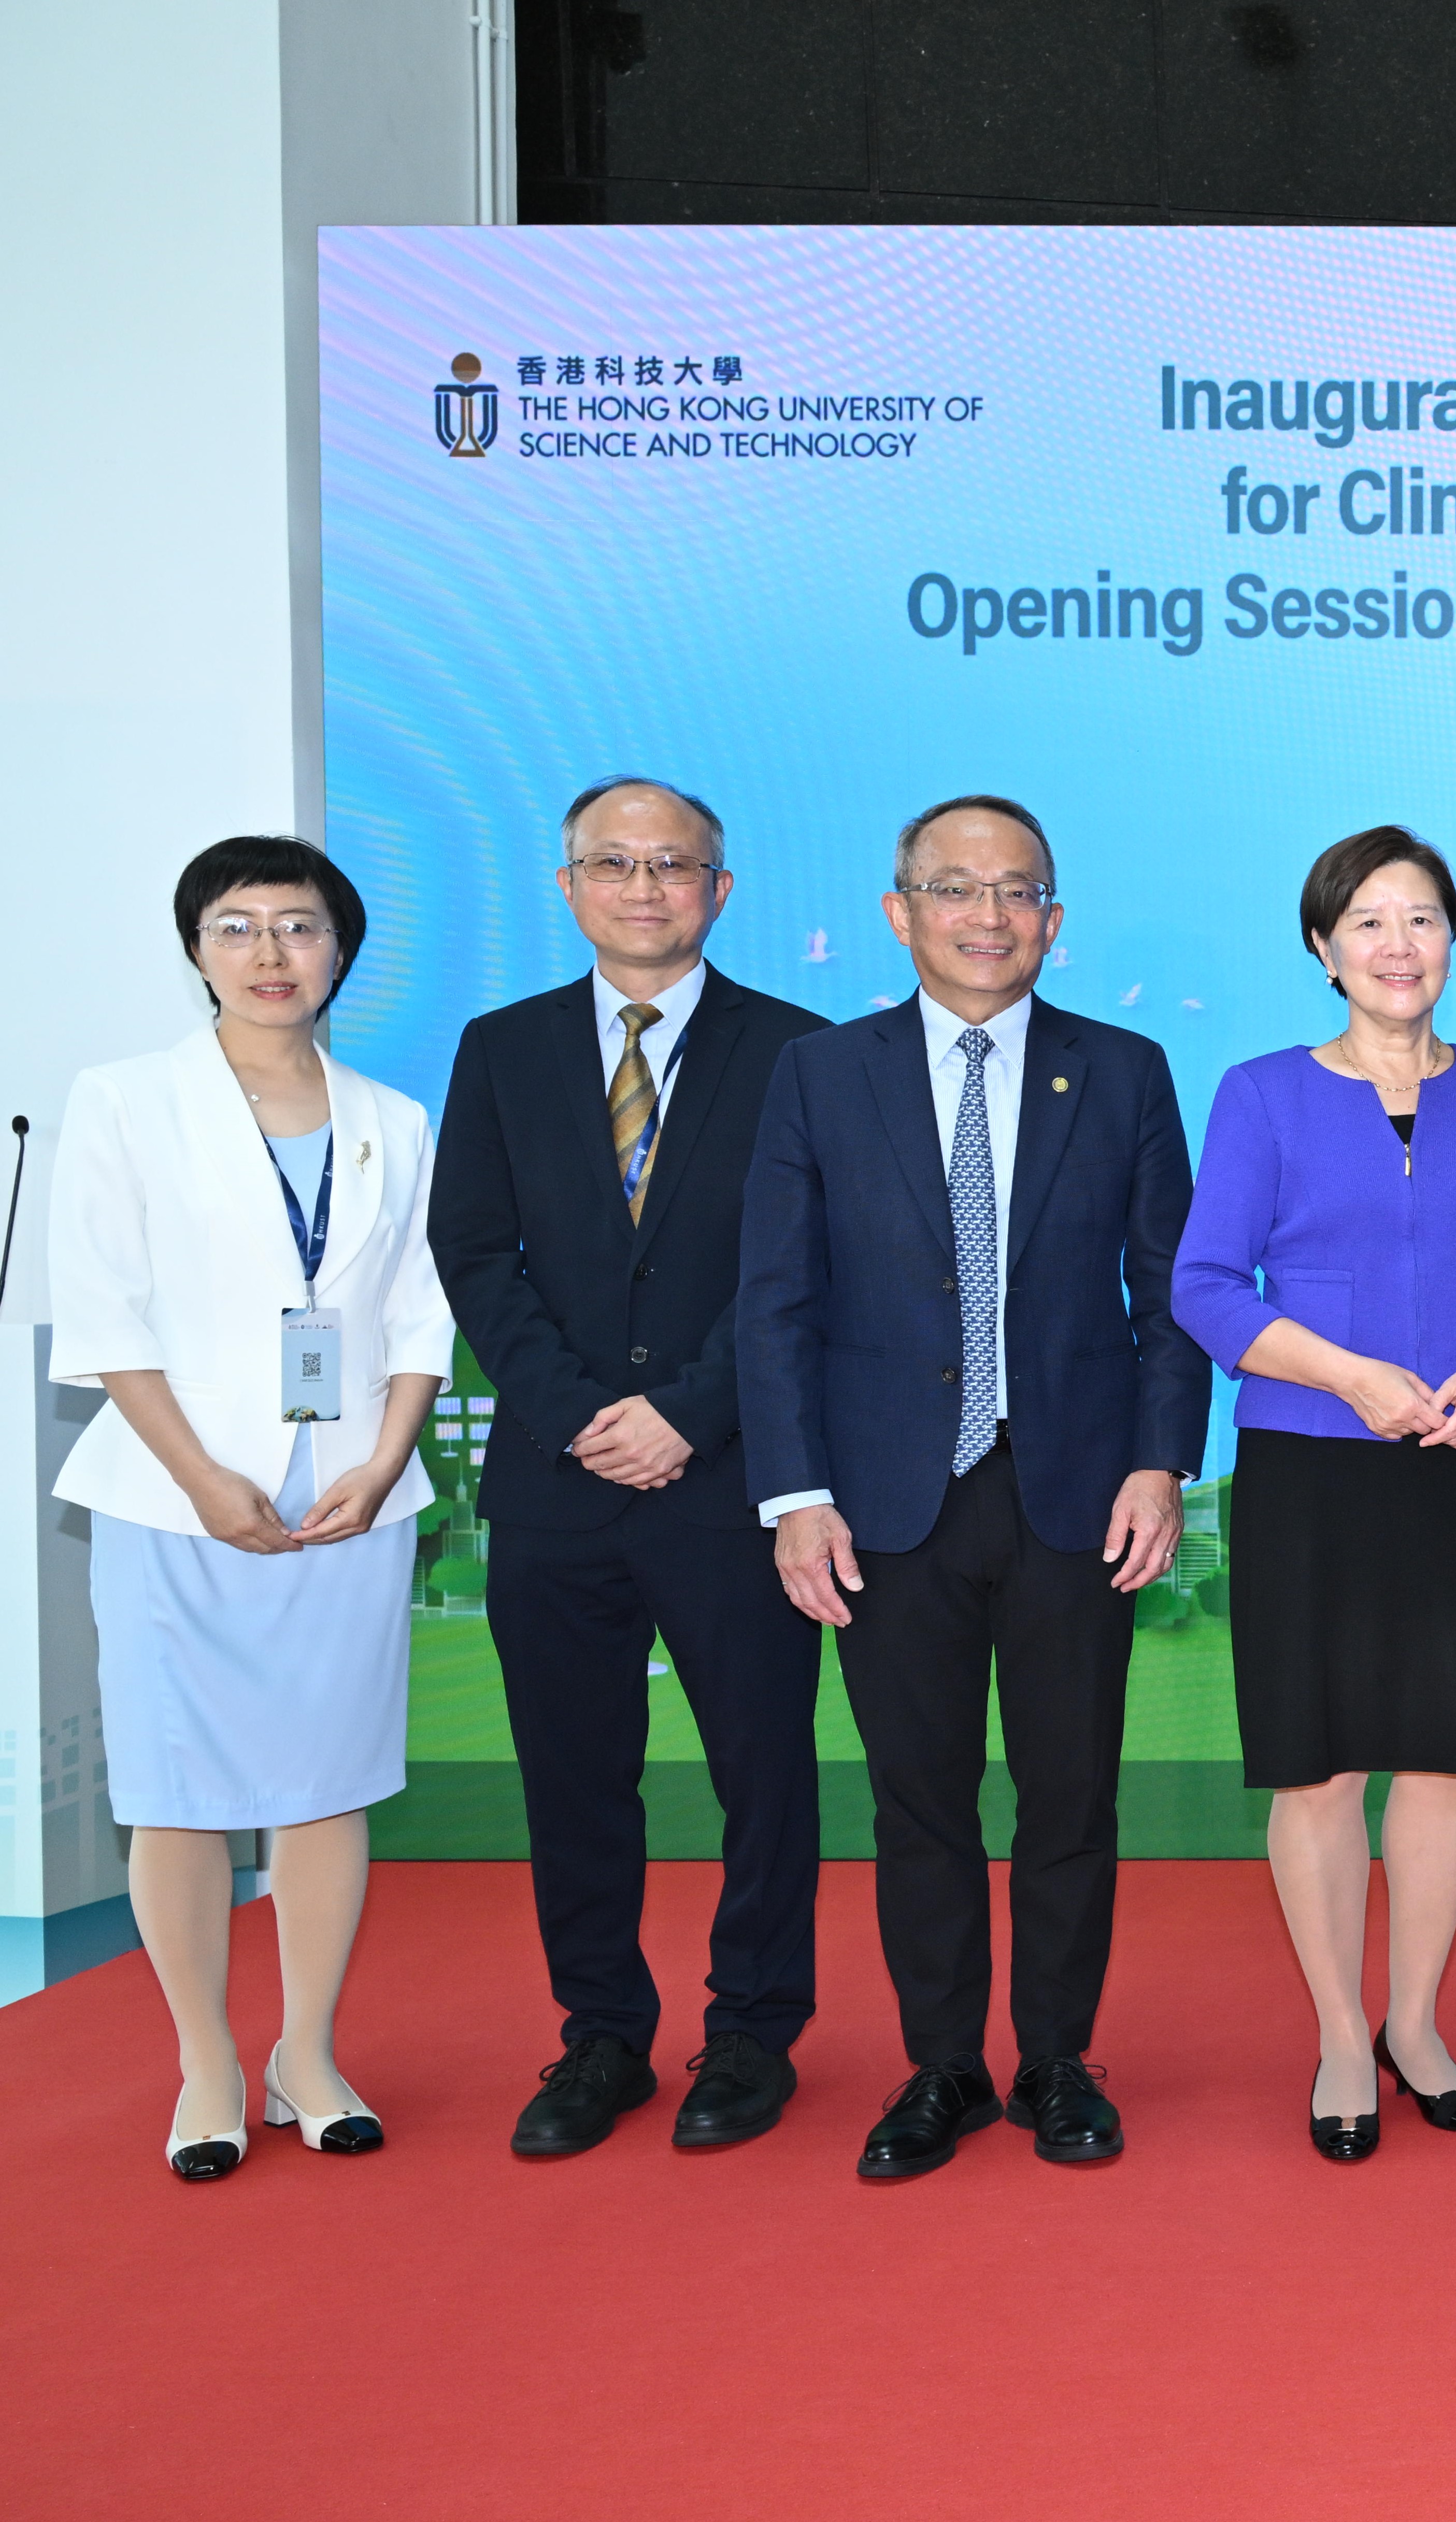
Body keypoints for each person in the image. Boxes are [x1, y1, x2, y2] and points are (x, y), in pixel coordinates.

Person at [736, 793, 1209, 2179]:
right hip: (886, 1498)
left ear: (1053, 922)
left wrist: (1159, 1459)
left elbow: (1167, 1295)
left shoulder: (1121, 1069)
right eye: (956, 889)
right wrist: (795, 1494)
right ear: (901, 913)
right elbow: (775, 1304)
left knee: (1071, 1794)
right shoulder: (824, 1075)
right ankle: (939, 2064)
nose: (988, 916)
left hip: (1074, 1492)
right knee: (919, 1800)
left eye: (1018, 893)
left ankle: (1058, 2060)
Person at [430, 776, 831, 2157]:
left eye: (675, 864)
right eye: (615, 862)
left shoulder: (802, 1053)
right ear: (569, 886)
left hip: (734, 1481)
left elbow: (806, 1264)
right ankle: (600, 2032)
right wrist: (571, 1408)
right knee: (573, 1770)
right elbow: (477, 1249)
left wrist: (690, 1410)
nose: (644, 886)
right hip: (557, 1481)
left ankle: (752, 2029)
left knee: (765, 1770)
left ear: (720, 889)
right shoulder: (501, 1049)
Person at [49, 837, 454, 2179]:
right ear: (195, 950)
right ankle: (209, 2062)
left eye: (299, 926)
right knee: (176, 1790)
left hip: (348, 1496)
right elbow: (105, 1313)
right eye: (238, 927)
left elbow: (416, 1316)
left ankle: (308, 2052)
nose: (271, 954)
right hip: (179, 1499)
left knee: (325, 1786)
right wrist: (202, 1476)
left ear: (340, 950)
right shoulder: (123, 1101)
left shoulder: (393, 1118)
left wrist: (389, 1457)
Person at [1172, 829, 1456, 2162]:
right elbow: (1206, 1287)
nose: (1401, 945)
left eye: (1426, 918)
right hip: (1311, 1467)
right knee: (1322, 1760)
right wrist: (1350, 1378)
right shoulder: (1264, 1093)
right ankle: (1342, 2029)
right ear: (1324, 948)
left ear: (1454, 937)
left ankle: (1418, 2023)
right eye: (1370, 921)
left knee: (1443, 1757)